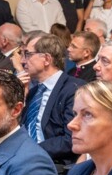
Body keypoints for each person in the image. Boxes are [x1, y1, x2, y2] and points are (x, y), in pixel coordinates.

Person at [21, 33, 86, 165]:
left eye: (28, 54)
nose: (23, 61)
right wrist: (19, 97)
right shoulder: (32, 91)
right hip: (26, 160)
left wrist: (30, 151)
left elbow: (71, 138)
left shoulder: (74, 89)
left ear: (46, 59)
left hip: (55, 164)